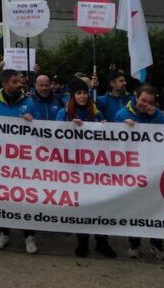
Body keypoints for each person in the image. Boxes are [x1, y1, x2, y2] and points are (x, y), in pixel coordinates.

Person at [0, 69, 37, 253]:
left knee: (26, 199)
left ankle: (29, 235)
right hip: (1, 162)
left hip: (24, 162)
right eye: (14, 81)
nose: (19, 84)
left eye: (19, 80)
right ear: (4, 84)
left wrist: (33, 122)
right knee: (3, 198)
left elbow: (44, 131)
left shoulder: (29, 102)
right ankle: (4, 233)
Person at [56, 78, 117, 258]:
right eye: (79, 93)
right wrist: (68, 127)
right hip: (74, 167)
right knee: (81, 205)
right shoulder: (64, 113)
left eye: (85, 92)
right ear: (73, 95)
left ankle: (101, 241)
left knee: (99, 205)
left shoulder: (96, 113)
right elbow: (54, 135)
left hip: (95, 168)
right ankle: (82, 242)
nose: (83, 96)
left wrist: (106, 128)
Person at [114, 84, 164, 260]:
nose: (146, 104)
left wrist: (154, 116)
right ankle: (134, 244)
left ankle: (156, 244)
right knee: (135, 207)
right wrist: (123, 127)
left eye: (150, 102)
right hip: (132, 168)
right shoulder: (122, 114)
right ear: (136, 96)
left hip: (153, 168)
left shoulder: (157, 114)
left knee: (155, 207)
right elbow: (113, 140)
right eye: (143, 100)